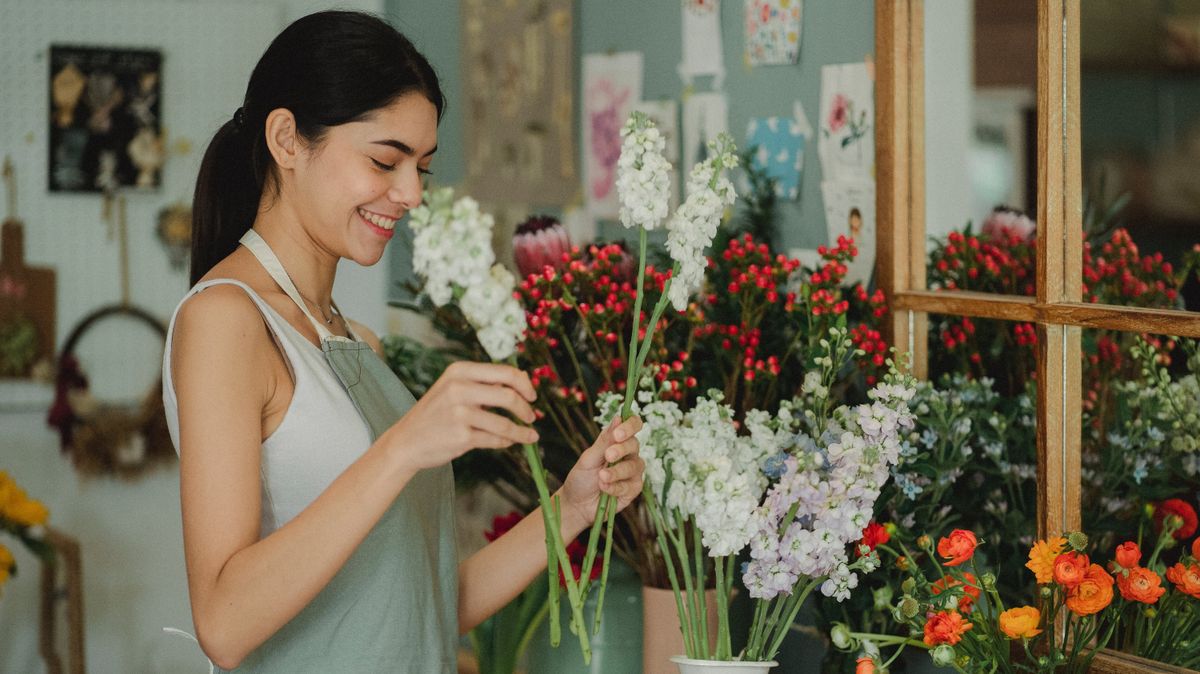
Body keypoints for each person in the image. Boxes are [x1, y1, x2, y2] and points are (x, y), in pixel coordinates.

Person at [161, 11, 644, 672]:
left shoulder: (356, 342)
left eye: (422, 166)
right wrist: (401, 448)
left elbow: (425, 602)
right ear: (287, 139)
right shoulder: (225, 321)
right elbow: (223, 621)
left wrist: (573, 507)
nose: (411, 193)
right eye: (385, 161)